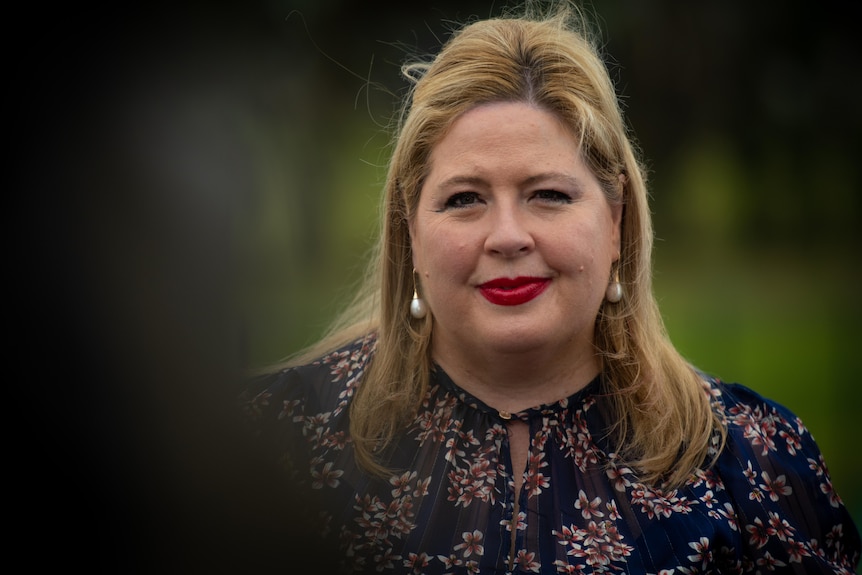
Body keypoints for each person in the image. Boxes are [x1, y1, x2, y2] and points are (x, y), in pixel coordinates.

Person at [240, 1, 860, 573]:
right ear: (411, 234)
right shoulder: (271, 448)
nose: (507, 236)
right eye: (464, 199)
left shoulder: (752, 464)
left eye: (548, 195)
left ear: (615, 222)